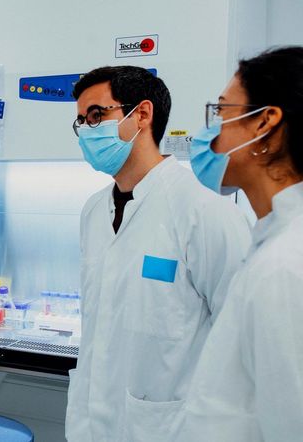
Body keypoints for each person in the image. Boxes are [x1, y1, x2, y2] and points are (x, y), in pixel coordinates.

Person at [65, 66, 251, 441]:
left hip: (168, 428)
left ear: (142, 115)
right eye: (81, 122)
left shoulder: (204, 212)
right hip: (91, 423)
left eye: (97, 115)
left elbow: (244, 341)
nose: (86, 130)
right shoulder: (92, 211)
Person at [177, 46, 303, 441]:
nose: (209, 134)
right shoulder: (274, 243)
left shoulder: (286, 265)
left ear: (265, 122)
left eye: (222, 112)